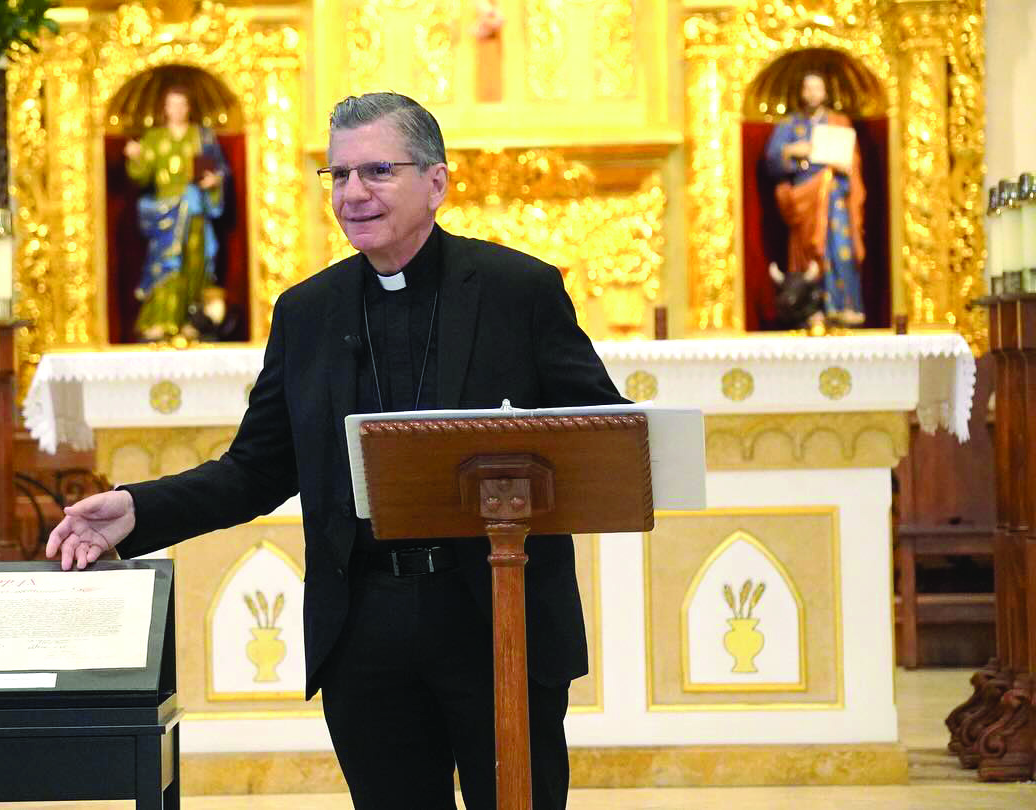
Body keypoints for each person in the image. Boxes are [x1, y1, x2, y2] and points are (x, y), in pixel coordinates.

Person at [49, 92, 624, 810]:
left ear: (437, 183)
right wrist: (135, 511)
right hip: (366, 628)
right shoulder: (307, 312)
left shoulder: (519, 291)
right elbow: (256, 469)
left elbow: (603, 434)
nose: (353, 194)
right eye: (337, 174)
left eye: (377, 171)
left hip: (497, 616)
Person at [123, 85, 229, 342]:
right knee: (167, 264)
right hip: (166, 215)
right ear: (165, 109)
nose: (177, 110)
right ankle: (162, 320)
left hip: (194, 212)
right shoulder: (154, 139)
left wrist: (215, 181)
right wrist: (135, 157)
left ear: (188, 108)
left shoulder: (202, 137)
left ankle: (193, 322)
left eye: (182, 105)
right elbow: (142, 175)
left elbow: (220, 170)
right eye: (172, 105)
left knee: (195, 265)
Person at [763, 71, 867, 326]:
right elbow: (772, 162)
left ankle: (842, 305)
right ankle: (809, 309)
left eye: (817, 88)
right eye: (807, 88)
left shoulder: (838, 122)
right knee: (807, 253)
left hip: (835, 199)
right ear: (801, 92)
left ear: (825, 93)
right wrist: (792, 150)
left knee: (839, 248)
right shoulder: (790, 126)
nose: (812, 94)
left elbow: (852, 161)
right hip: (804, 200)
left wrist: (840, 164)